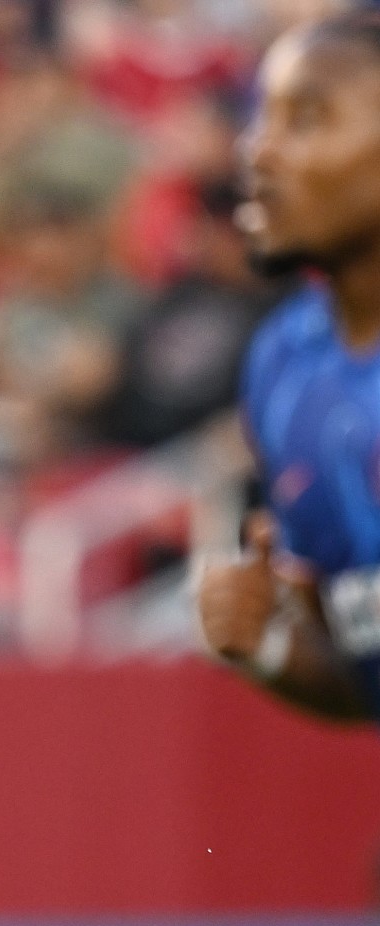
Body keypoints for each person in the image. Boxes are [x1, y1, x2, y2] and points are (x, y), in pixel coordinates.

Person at [197, 11, 380, 722]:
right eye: (259, 117)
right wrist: (269, 646)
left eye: (306, 119)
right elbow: (366, 680)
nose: (258, 152)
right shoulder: (283, 365)